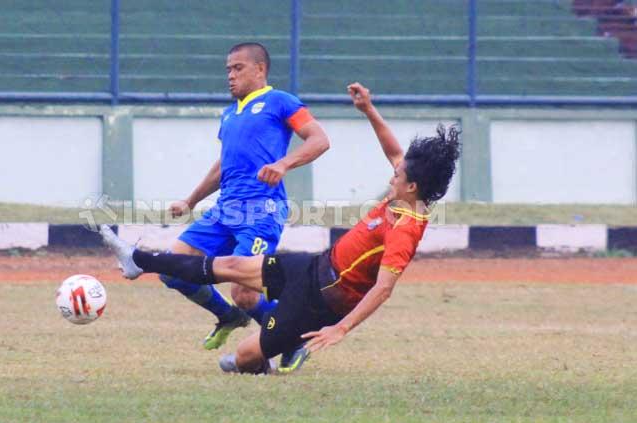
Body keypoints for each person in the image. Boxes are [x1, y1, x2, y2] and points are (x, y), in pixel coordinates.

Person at [103, 82, 461, 374]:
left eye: (397, 176)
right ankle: (139, 260)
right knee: (230, 267)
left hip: (321, 301)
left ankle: (268, 357)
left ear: (412, 186)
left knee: (241, 357)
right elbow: (394, 151)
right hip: (313, 266)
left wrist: (341, 328)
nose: (392, 175)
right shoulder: (405, 193)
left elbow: (383, 289)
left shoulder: (405, 229)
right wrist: (368, 109)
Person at [158, 42, 331, 366]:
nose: (230, 76)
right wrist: (191, 200)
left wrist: (284, 164)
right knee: (171, 268)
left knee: (245, 292)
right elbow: (223, 166)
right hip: (225, 210)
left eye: (238, 68)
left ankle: (290, 338)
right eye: (228, 70)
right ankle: (227, 316)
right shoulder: (229, 113)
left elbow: (319, 139)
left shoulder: (280, 101)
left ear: (260, 69)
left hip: (261, 210)